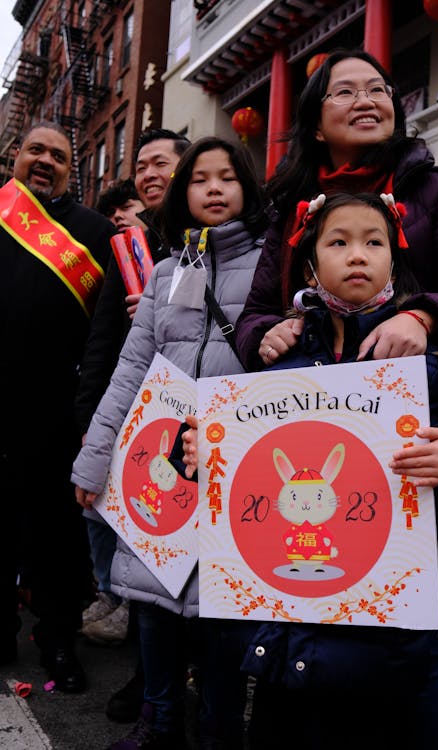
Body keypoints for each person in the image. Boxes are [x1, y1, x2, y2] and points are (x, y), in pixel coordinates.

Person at [182, 191, 438, 750]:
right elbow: (238, 469)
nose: (358, 254)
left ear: (393, 261)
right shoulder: (280, 360)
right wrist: (199, 460)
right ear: (309, 265)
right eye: (339, 241)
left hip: (393, 643)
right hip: (290, 636)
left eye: (374, 242)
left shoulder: (427, 362)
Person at [71, 135, 268, 750]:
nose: (213, 188)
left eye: (227, 177)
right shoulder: (164, 272)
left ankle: (216, 729)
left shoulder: (275, 263)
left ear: (248, 188)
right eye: (200, 178)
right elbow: (128, 373)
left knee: (222, 616)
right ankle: (158, 723)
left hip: (237, 468)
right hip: (160, 468)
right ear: (182, 195)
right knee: (153, 605)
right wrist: (95, 460)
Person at [234, 48, 438, 373]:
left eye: (377, 90)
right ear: (316, 126)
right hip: (308, 396)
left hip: (417, 398)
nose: (366, 101)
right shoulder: (292, 207)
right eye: (345, 92)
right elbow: (255, 313)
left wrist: (421, 318)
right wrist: (267, 335)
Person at [74, 129, 191, 721]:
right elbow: (103, 336)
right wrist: (91, 411)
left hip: (194, 419)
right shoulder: (130, 246)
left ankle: (173, 688)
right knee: (140, 544)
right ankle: (151, 685)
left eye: (162, 162)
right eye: (141, 164)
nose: (149, 172)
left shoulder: (206, 242)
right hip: (134, 410)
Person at [0, 121, 116, 692]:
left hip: (58, 408)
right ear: (14, 156)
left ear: (74, 170)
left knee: (56, 534)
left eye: (60, 157)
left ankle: (56, 637)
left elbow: (106, 330)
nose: (46, 161)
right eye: (35, 150)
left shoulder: (95, 231)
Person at [80, 178, 147, 648]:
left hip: (167, 404)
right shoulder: (119, 254)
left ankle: (133, 602)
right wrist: (89, 415)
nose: (119, 215)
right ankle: (108, 590)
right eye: (113, 210)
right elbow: (101, 338)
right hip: (116, 398)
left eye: (127, 206)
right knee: (97, 504)